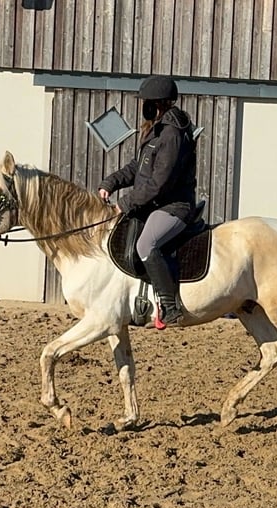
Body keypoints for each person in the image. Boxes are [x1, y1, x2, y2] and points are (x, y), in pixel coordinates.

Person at [98, 75, 197, 327]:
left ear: (160, 103)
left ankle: (170, 307)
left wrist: (126, 203)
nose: (144, 107)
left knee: (146, 244)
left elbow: (159, 183)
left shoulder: (172, 134)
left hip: (174, 207)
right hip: (156, 204)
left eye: (148, 102)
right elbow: (137, 168)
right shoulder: (156, 130)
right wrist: (110, 183)